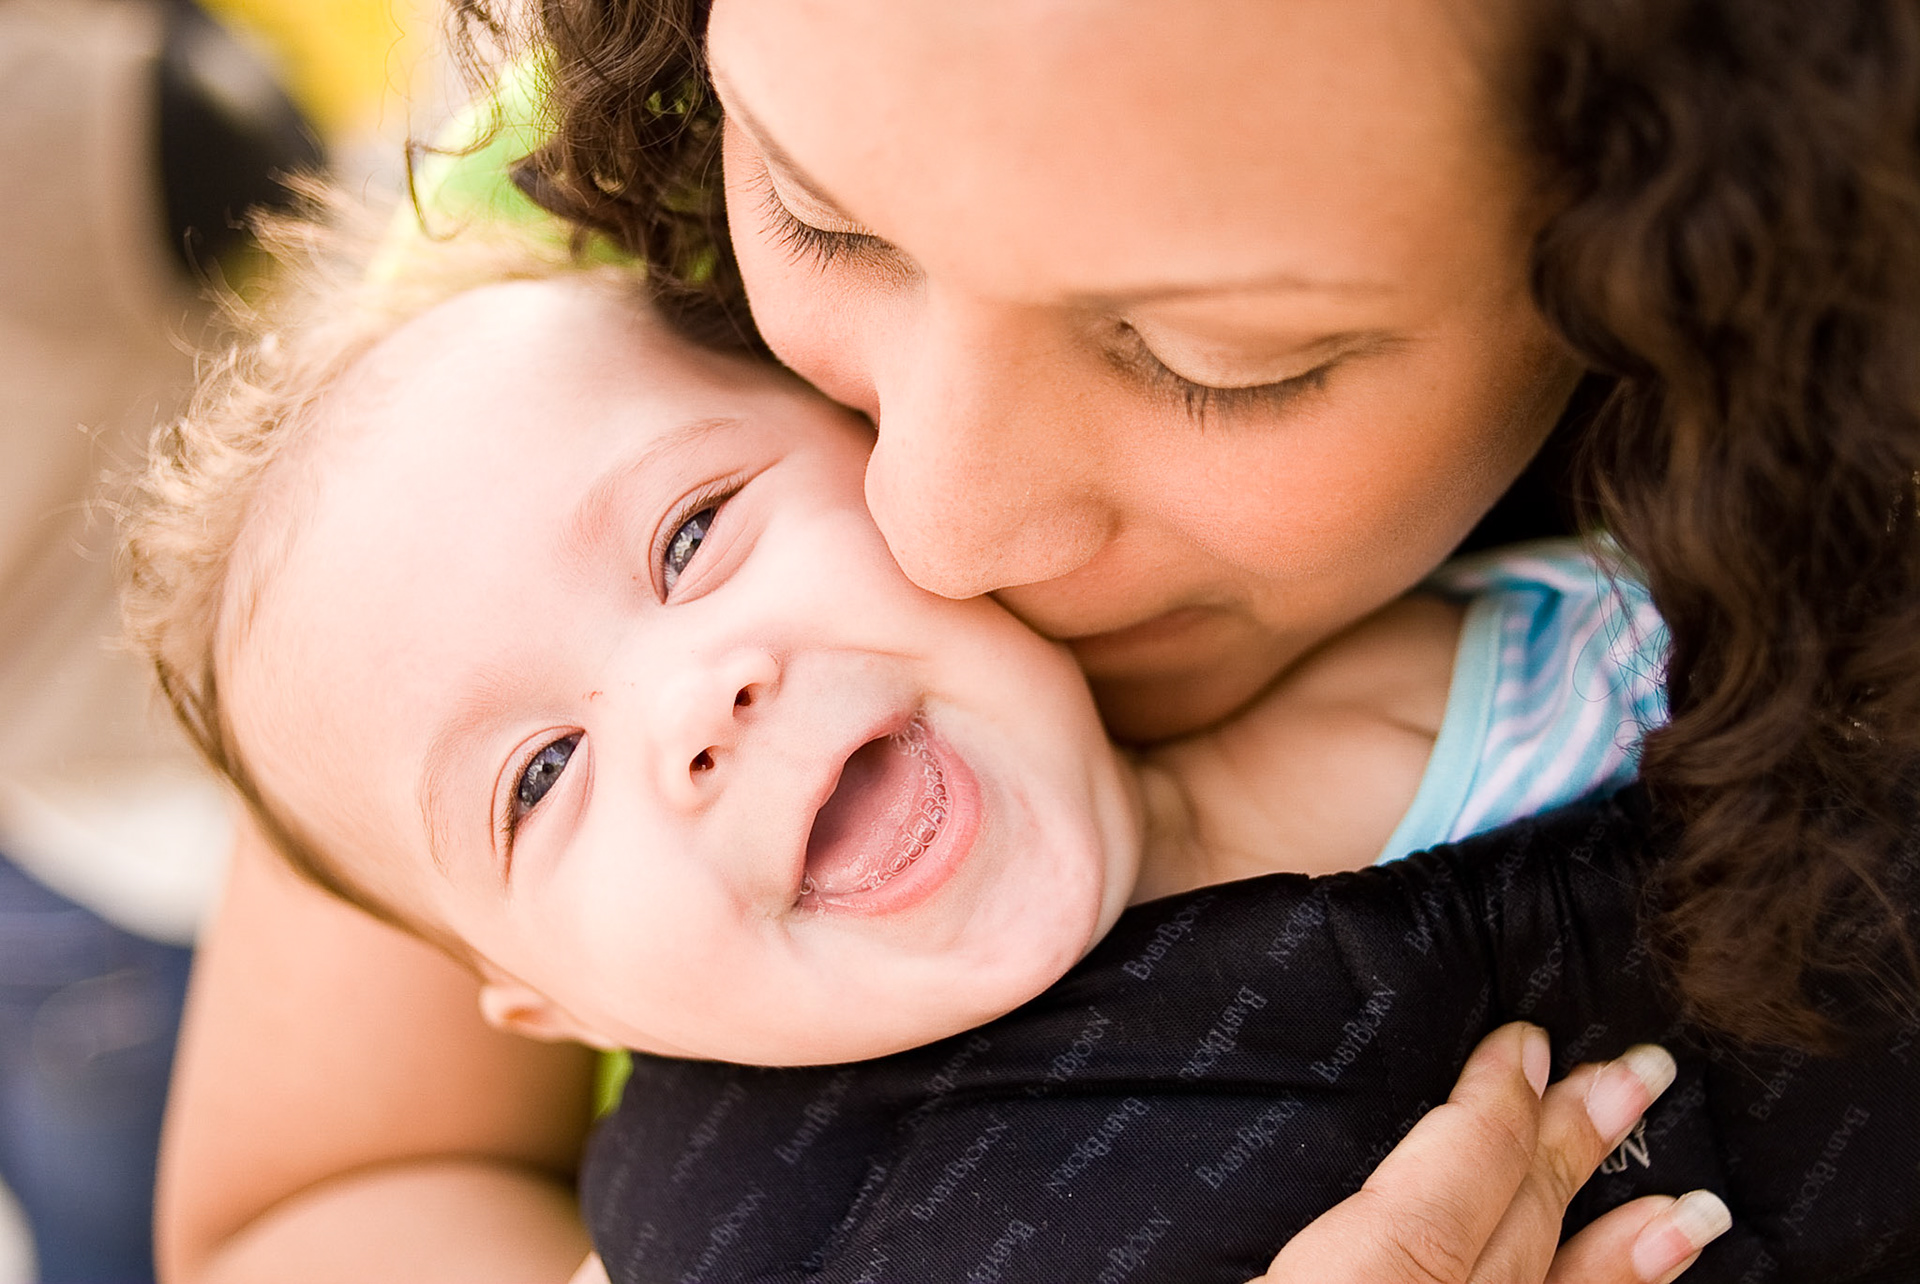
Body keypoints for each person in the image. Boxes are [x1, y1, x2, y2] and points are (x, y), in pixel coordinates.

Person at [150, 1, 1920, 1282]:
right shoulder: (492, 412)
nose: (942, 517)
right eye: (825, 218)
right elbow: (316, 1197)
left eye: (1220, 357)